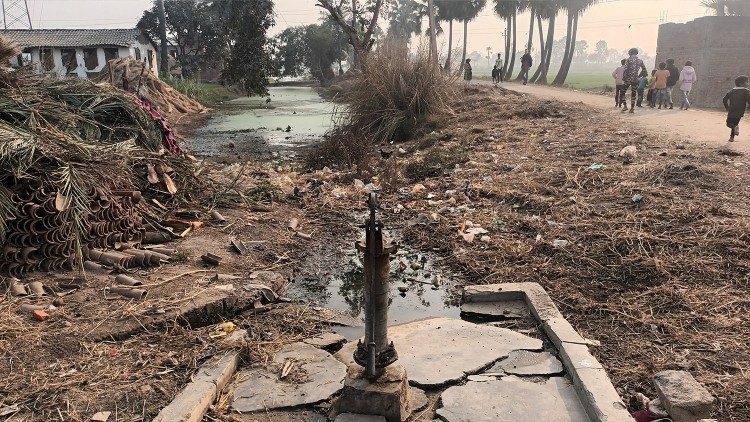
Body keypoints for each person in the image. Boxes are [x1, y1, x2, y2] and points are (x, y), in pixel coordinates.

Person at [723, 75, 750, 142]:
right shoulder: (746, 91)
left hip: (731, 110)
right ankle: (731, 138)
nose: (748, 84)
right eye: (746, 82)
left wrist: (727, 107)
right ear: (741, 83)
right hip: (740, 111)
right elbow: (749, 100)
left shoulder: (732, 90)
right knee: (735, 123)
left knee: (729, 123)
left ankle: (732, 136)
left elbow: (724, 99)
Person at [621, 48, 647, 113]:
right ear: (636, 53)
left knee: (622, 92)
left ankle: (625, 106)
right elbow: (644, 71)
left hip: (628, 79)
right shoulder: (640, 61)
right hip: (635, 80)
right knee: (634, 93)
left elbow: (625, 70)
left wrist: (624, 78)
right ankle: (632, 108)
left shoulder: (628, 60)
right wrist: (638, 76)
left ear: (630, 53)